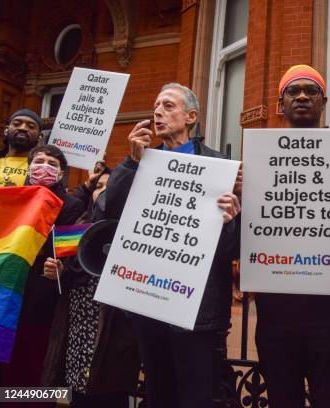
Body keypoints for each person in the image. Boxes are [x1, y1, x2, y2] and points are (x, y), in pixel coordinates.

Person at [103, 83, 241, 408]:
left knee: (196, 396)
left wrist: (231, 219)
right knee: (159, 394)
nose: (158, 113)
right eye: (155, 107)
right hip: (149, 302)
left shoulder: (218, 166)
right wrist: (131, 163)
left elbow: (229, 251)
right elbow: (110, 212)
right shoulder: (143, 163)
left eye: (168, 106)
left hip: (197, 310)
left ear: (190, 116)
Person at [250, 64, 330, 408]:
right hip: (276, 312)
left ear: (324, 100)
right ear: (281, 104)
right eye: (293, 91)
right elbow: (247, 235)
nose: (303, 96)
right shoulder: (261, 160)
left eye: (311, 91)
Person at [41, 168, 141, 408]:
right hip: (78, 327)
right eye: (99, 187)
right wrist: (58, 273)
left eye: (111, 187)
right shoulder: (79, 225)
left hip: (113, 332)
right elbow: (68, 274)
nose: (104, 192)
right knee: (77, 393)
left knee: (110, 393)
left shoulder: (134, 229)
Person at [0, 145, 85, 407]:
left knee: (35, 366)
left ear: (60, 174)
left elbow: (71, 255)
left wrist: (61, 270)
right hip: (7, 294)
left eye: (51, 163)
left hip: (42, 300)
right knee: (4, 363)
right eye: (38, 161)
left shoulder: (72, 205)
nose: (43, 166)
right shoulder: (11, 197)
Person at [0, 109, 43, 187]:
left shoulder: (42, 167)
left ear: (40, 136)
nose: (23, 128)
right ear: (6, 130)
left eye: (31, 127)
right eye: (17, 124)